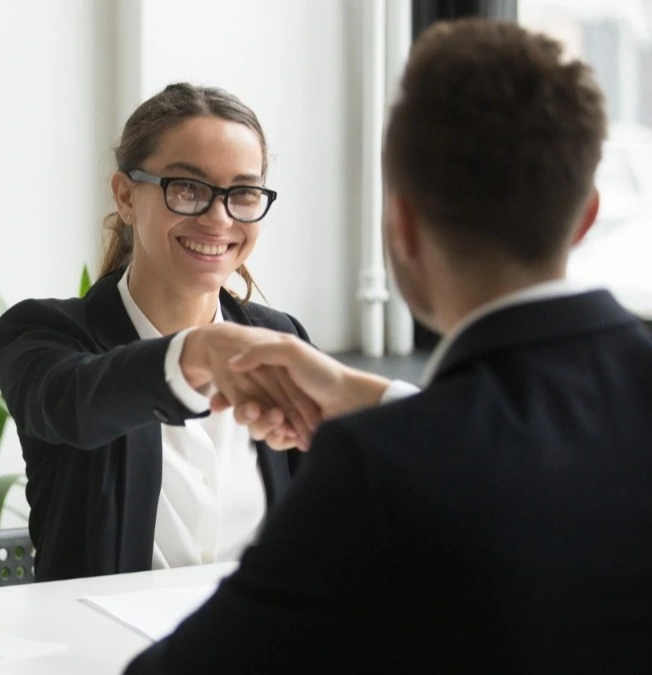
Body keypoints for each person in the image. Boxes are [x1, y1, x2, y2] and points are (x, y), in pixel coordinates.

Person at [125, 19, 652, 674]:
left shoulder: (383, 469)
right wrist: (382, 401)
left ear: (400, 225)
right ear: (586, 215)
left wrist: (394, 423)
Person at [0, 83, 327, 582]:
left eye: (243, 193)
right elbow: (74, 403)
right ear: (126, 196)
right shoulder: (45, 333)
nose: (219, 217)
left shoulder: (279, 337)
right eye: (187, 189)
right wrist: (196, 353)